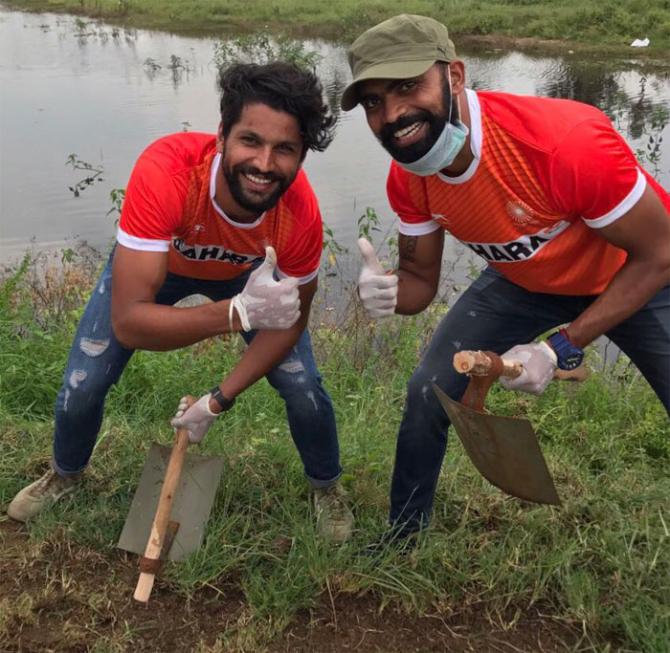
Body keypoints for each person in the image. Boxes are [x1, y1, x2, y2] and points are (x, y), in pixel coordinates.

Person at [341, 14, 670, 541]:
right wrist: (388, 294)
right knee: (429, 390)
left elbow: (660, 253)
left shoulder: (564, 143)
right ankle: (402, 539)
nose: (393, 114)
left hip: (633, 272)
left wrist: (560, 347)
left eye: (407, 87)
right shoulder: (412, 176)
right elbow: (421, 284)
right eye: (374, 102)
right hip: (525, 280)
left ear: (455, 76)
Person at [8, 62, 353, 543]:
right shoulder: (167, 172)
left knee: (304, 387)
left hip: (251, 277)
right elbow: (131, 323)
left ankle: (327, 487)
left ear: (301, 156)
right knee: (83, 381)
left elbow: (289, 326)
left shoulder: (301, 217)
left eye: (285, 149)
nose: (264, 164)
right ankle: (66, 473)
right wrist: (236, 312)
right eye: (250, 140)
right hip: (161, 264)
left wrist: (216, 401)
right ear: (221, 136)